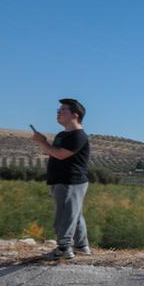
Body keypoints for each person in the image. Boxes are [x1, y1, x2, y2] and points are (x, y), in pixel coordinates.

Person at [30, 99, 92, 260]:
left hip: (70, 181)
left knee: (65, 215)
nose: (58, 112)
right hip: (61, 180)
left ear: (74, 115)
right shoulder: (63, 135)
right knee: (74, 214)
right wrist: (45, 144)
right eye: (59, 109)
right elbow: (54, 152)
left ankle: (64, 248)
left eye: (63, 110)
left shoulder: (78, 136)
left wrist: (42, 142)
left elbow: (59, 154)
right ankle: (81, 247)